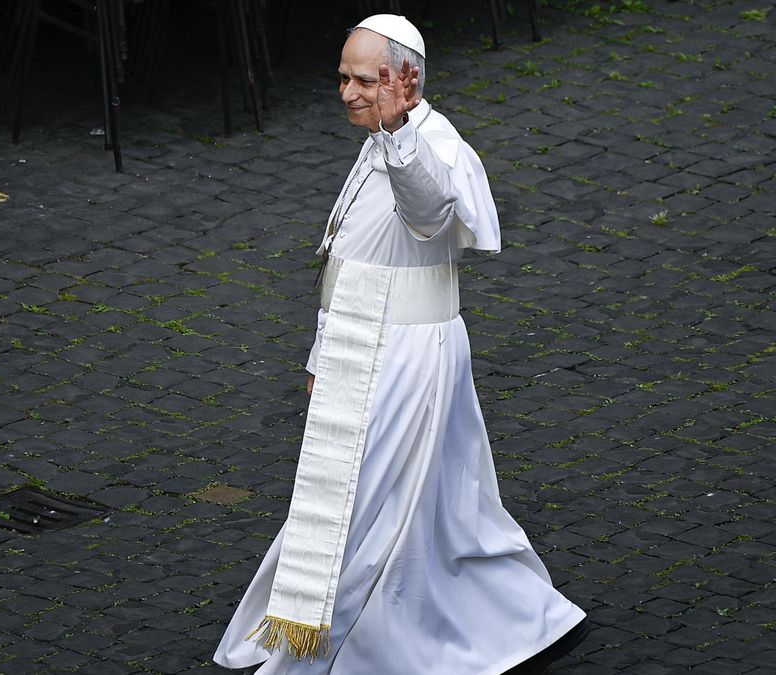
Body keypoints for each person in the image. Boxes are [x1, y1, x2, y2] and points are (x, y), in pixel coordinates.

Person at [213, 14, 589, 675]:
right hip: (364, 342)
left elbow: (430, 211)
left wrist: (397, 130)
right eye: (343, 77)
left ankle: (347, 648)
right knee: (442, 508)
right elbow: (351, 264)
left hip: (407, 357)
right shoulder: (378, 139)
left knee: (370, 508)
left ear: (405, 81)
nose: (348, 92)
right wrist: (318, 358)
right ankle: (524, 617)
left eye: (364, 80)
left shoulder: (429, 146)